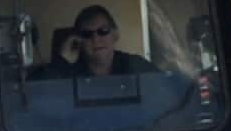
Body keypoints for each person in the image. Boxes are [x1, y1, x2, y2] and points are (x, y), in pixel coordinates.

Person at [30, 5, 159, 79]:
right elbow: (36, 96)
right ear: (78, 41)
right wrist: (62, 61)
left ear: (115, 34)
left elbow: (167, 91)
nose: (96, 39)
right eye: (87, 34)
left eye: (103, 31)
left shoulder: (135, 66)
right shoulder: (67, 72)